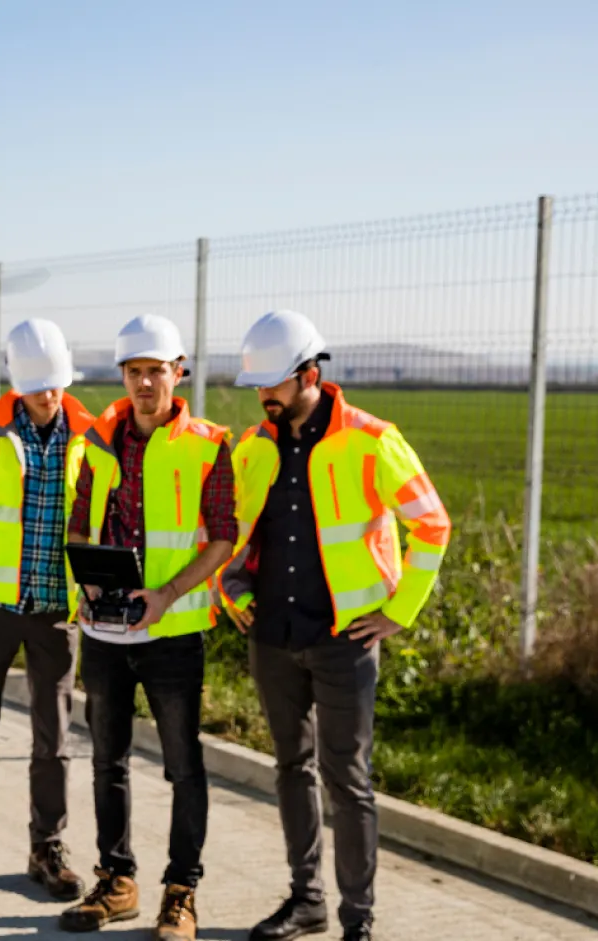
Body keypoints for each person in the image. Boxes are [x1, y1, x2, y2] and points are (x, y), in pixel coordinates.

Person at [217, 310, 452, 941]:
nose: (264, 396)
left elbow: (434, 525)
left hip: (345, 640)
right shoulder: (254, 446)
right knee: (291, 769)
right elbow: (233, 533)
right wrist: (229, 584)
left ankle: (359, 921)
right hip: (272, 637)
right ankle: (306, 901)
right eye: (258, 386)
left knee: (347, 782)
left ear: (309, 374)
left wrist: (398, 612)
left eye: (273, 384)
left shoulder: (371, 439)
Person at [58, 314, 236, 940]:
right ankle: (117, 881)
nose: (143, 384)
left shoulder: (209, 444)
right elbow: (79, 525)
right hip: (105, 635)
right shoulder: (100, 442)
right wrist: (88, 583)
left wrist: (165, 594)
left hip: (172, 633)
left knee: (183, 767)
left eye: (154, 371)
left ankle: (181, 892)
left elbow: (223, 539)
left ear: (177, 372)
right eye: (133, 372)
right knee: (107, 761)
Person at [0, 318, 96, 910]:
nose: (48, 397)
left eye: (55, 385)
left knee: (54, 742)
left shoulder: (90, 435)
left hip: (58, 612)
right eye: (37, 388)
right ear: (17, 384)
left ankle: (47, 850)